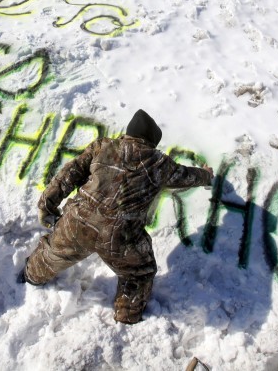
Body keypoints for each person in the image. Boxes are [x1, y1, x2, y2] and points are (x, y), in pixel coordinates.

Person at [20, 109, 214, 324]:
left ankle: (31, 276)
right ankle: (127, 316)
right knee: (138, 273)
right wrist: (206, 175)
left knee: (53, 254)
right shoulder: (159, 163)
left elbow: (69, 173)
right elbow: (186, 176)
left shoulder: (102, 146)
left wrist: (47, 205)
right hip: (120, 237)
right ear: (152, 141)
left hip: (77, 222)